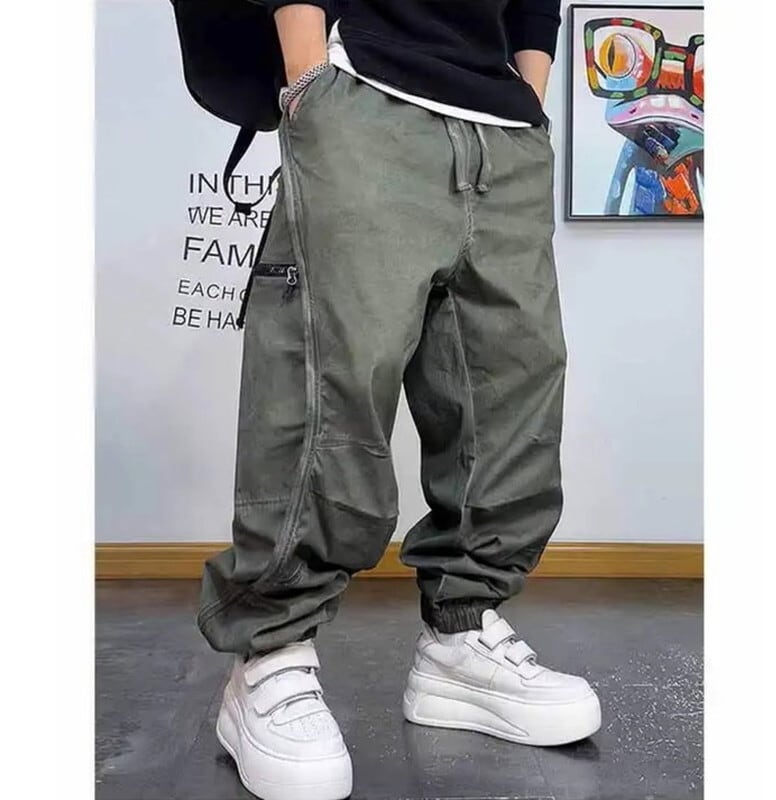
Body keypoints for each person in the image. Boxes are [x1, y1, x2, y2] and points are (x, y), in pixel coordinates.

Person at [198, 2, 601, 798]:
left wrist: (528, 95)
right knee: (331, 381)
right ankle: (270, 654)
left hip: (503, 123)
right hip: (365, 85)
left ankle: (461, 636)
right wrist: (308, 74)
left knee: (512, 388)